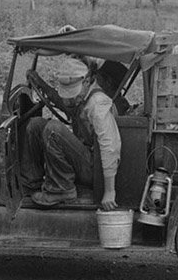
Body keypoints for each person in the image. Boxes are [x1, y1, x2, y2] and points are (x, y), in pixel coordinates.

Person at [20, 54, 121, 210]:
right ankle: (32, 183)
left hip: (95, 169)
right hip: (85, 158)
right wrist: (40, 83)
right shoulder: (83, 96)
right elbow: (64, 103)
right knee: (35, 125)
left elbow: (110, 146)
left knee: (53, 130)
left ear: (87, 82)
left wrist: (109, 191)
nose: (70, 98)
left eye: (73, 92)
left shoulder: (98, 103)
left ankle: (62, 189)